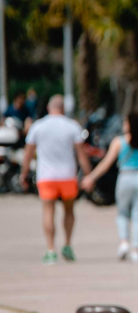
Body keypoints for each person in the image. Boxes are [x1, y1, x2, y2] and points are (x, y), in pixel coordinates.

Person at [80, 112, 138, 263]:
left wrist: (90, 177)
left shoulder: (119, 142)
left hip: (125, 177)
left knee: (122, 213)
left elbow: (106, 164)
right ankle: (137, 250)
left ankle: (124, 242)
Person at [20, 95, 91, 264]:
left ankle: (51, 250)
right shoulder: (72, 126)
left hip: (46, 177)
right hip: (67, 175)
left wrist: (24, 174)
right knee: (69, 211)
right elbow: (81, 155)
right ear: (63, 109)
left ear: (48, 108)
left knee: (48, 212)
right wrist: (89, 175)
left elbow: (28, 153)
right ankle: (67, 244)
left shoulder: (38, 126)